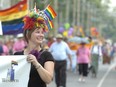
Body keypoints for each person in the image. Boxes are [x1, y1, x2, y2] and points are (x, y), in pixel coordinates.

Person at [14, 8, 55, 87]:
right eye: (37, 32)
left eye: (42, 32)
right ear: (28, 35)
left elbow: (48, 79)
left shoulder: (46, 55)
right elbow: (11, 76)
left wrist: (36, 63)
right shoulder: (17, 55)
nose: (41, 35)